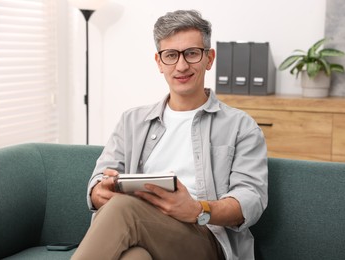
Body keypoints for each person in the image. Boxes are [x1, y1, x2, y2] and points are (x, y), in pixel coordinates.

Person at [72, 9, 268, 260]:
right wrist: (99, 191)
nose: (182, 65)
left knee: (124, 208)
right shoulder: (132, 121)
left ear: (209, 58)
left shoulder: (242, 126)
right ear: (159, 62)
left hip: (206, 240)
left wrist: (197, 209)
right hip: (143, 229)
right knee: (134, 258)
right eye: (171, 55)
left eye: (192, 53)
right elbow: (99, 180)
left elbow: (250, 200)